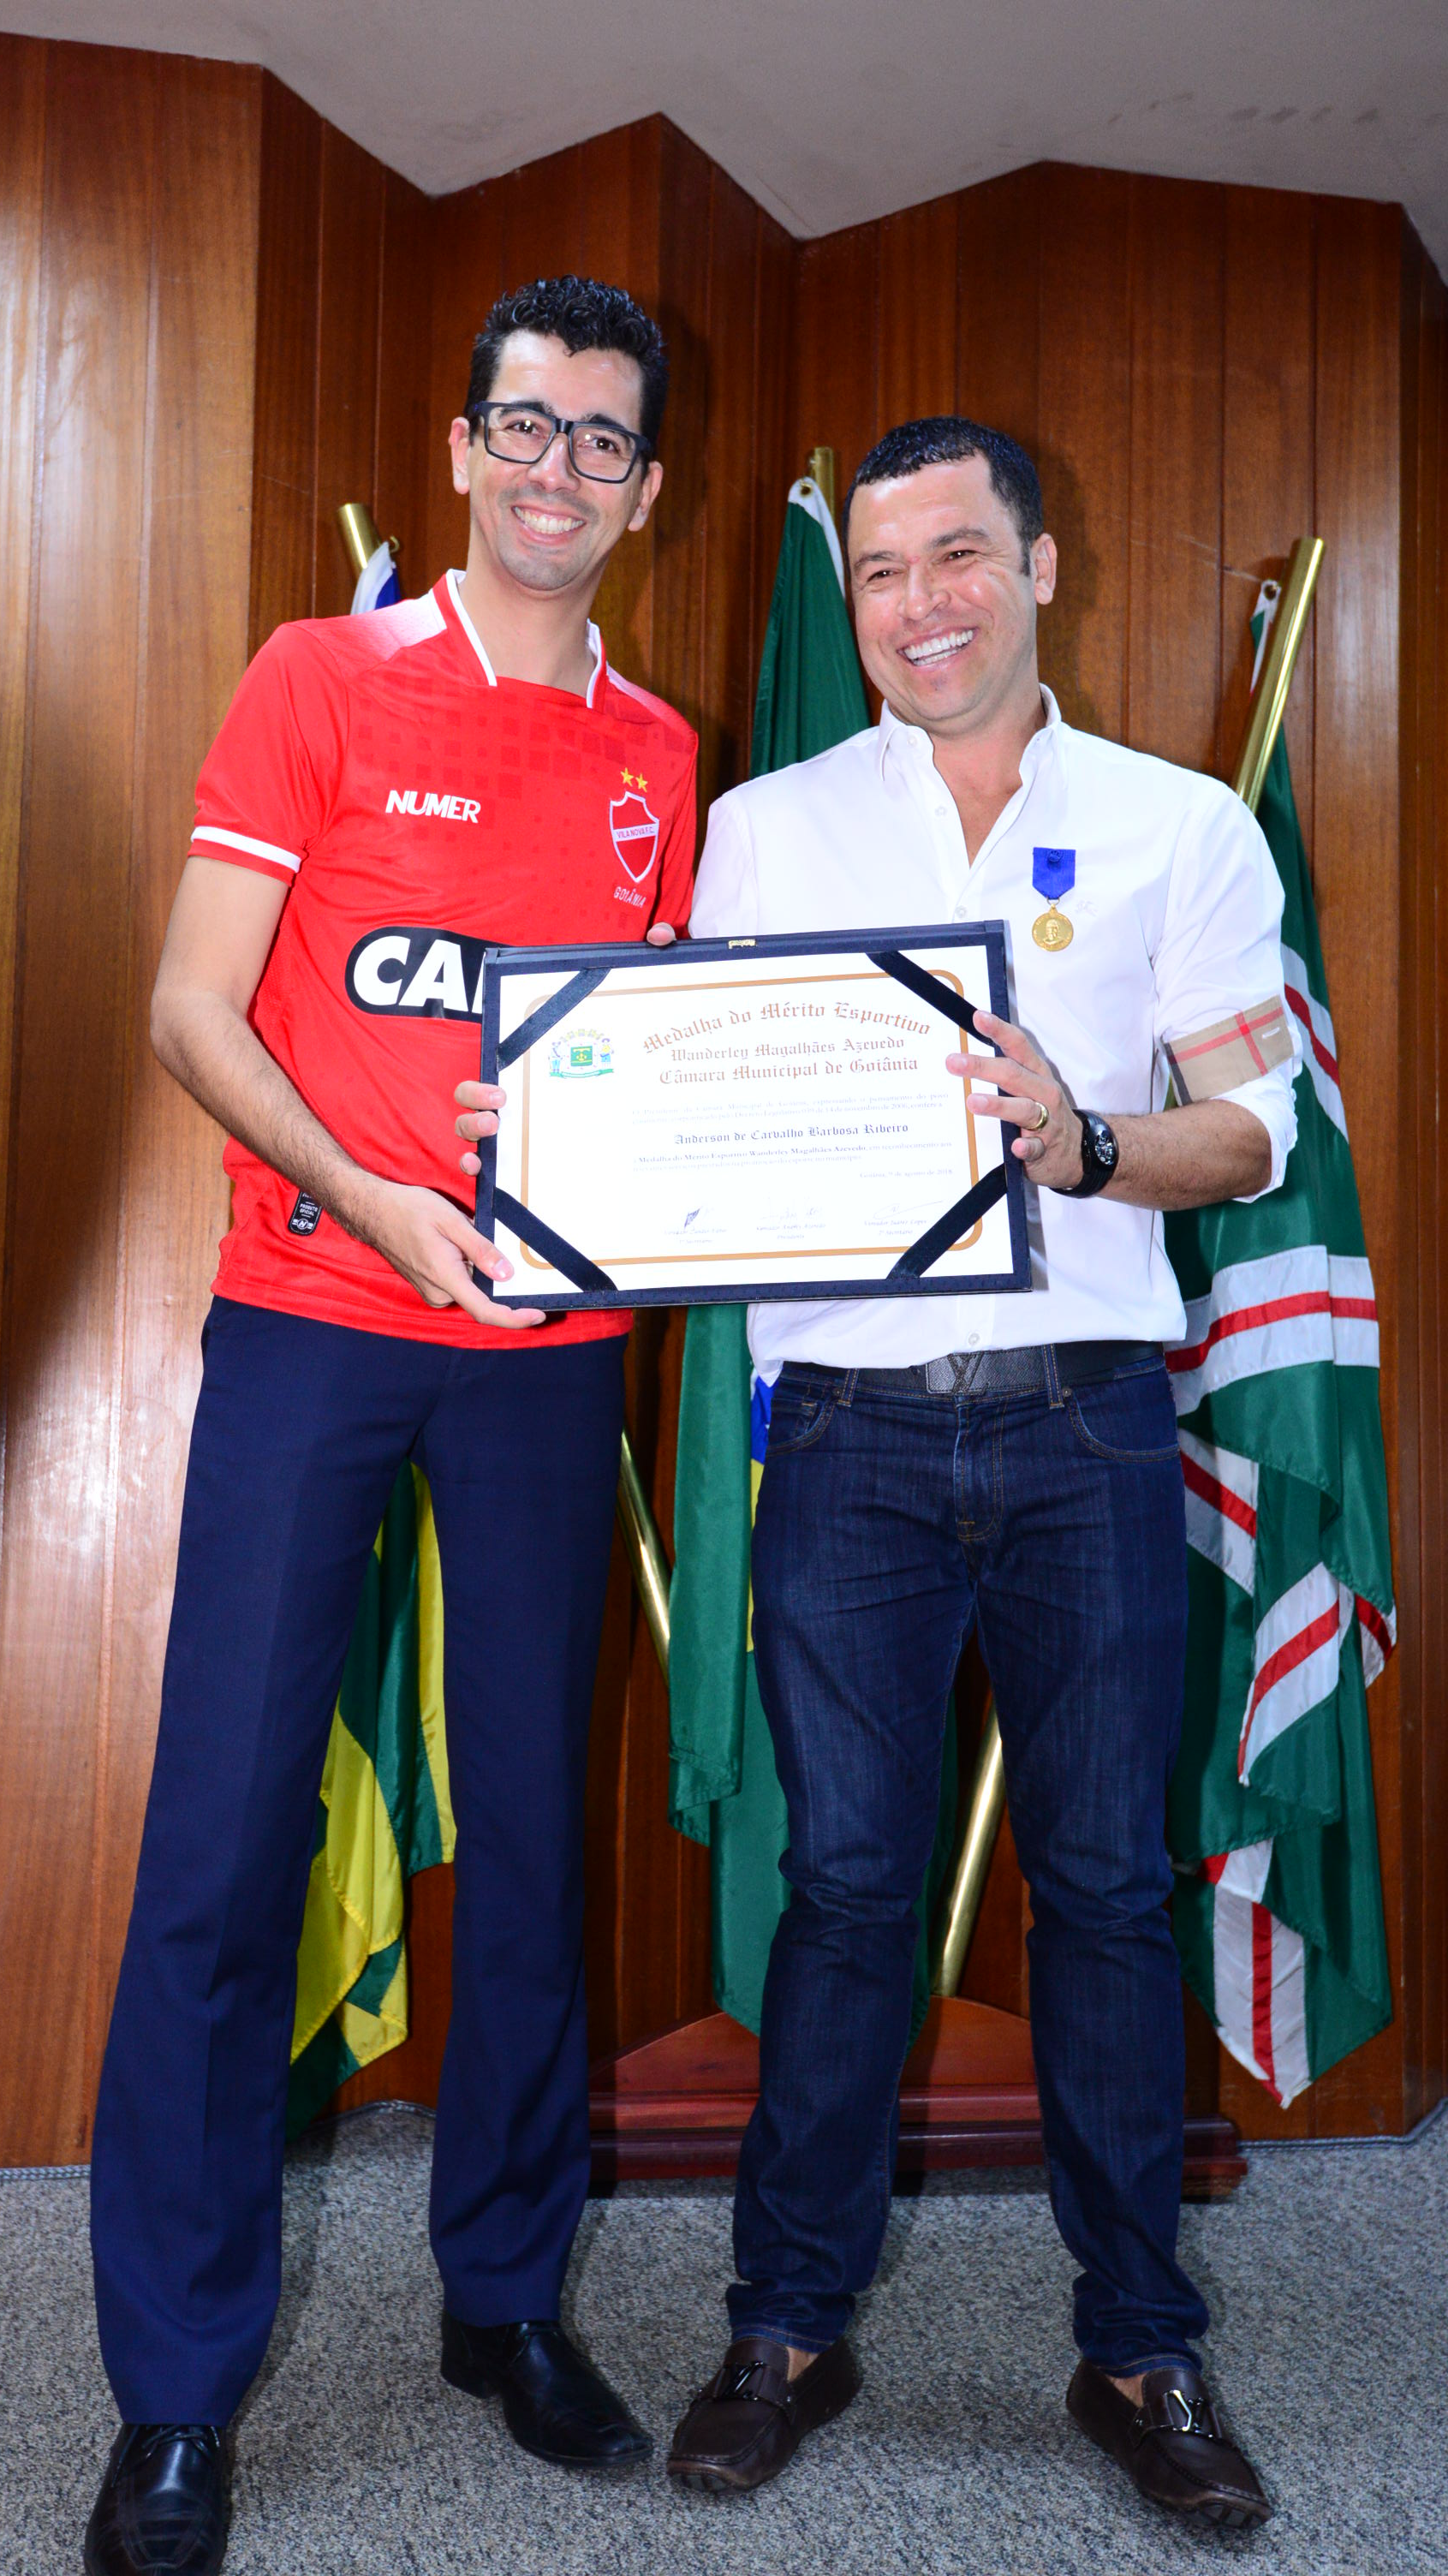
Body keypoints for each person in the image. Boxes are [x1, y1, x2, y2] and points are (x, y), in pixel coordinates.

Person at [85, 276, 697, 2576]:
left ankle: (503, 2299)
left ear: (645, 488)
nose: (559, 466)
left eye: (602, 439)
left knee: (533, 1842)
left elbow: (655, 1065)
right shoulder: (314, 675)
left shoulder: (661, 757)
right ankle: (174, 2391)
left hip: (552, 1354)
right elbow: (192, 1007)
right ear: (461, 449)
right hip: (315, 1320)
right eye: (524, 424)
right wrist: (375, 1197)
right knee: (223, 1846)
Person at [661, 417, 1290, 2528]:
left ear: (1035, 566)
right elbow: (688, 1114)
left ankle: (1138, 2348)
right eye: (876, 570)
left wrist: (1080, 1140)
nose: (914, 602)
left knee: (1102, 1885)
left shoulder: (1180, 825)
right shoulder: (759, 829)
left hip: (1082, 1413)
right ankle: (784, 2326)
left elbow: (1250, 1136)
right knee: (845, 1888)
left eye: (955, 555)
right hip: (843, 1428)